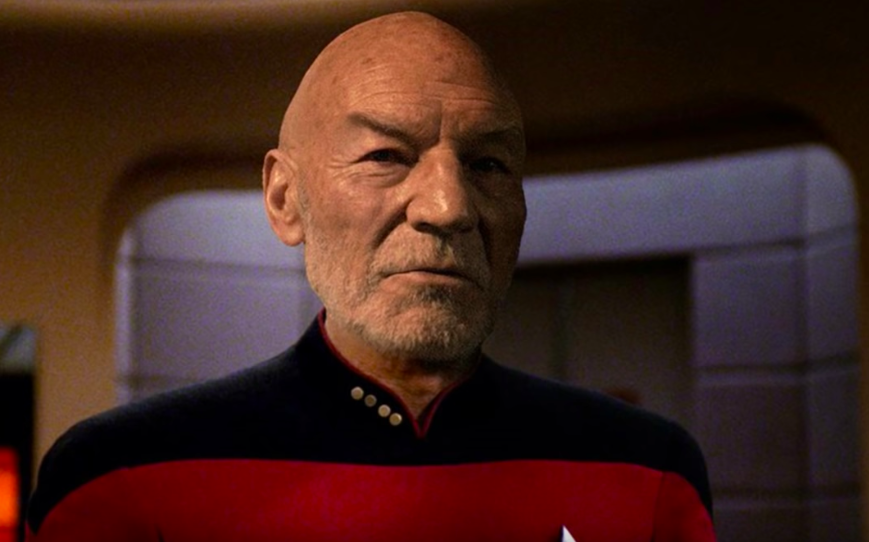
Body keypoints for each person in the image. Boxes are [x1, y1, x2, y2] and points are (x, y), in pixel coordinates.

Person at [26, 11, 715, 542]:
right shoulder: (123, 478)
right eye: (386, 156)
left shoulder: (647, 475)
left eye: (487, 165)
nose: (448, 207)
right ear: (284, 199)